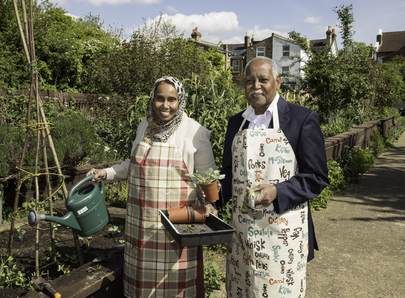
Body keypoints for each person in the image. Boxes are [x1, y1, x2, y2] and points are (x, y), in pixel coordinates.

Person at [86, 76, 217, 298]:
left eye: (171, 99)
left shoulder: (194, 132)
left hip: (176, 226)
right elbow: (132, 166)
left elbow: (209, 177)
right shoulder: (145, 126)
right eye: (159, 99)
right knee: (142, 286)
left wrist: (211, 204)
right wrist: (105, 173)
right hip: (142, 225)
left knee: (176, 285)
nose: (165, 106)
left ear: (180, 101)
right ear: (152, 99)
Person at [217, 57, 329, 297]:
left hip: (281, 237)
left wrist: (277, 191)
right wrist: (212, 198)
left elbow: (316, 177)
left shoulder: (302, 119)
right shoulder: (236, 122)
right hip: (243, 237)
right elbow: (230, 173)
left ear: (277, 81)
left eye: (263, 79)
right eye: (249, 80)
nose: (255, 85)